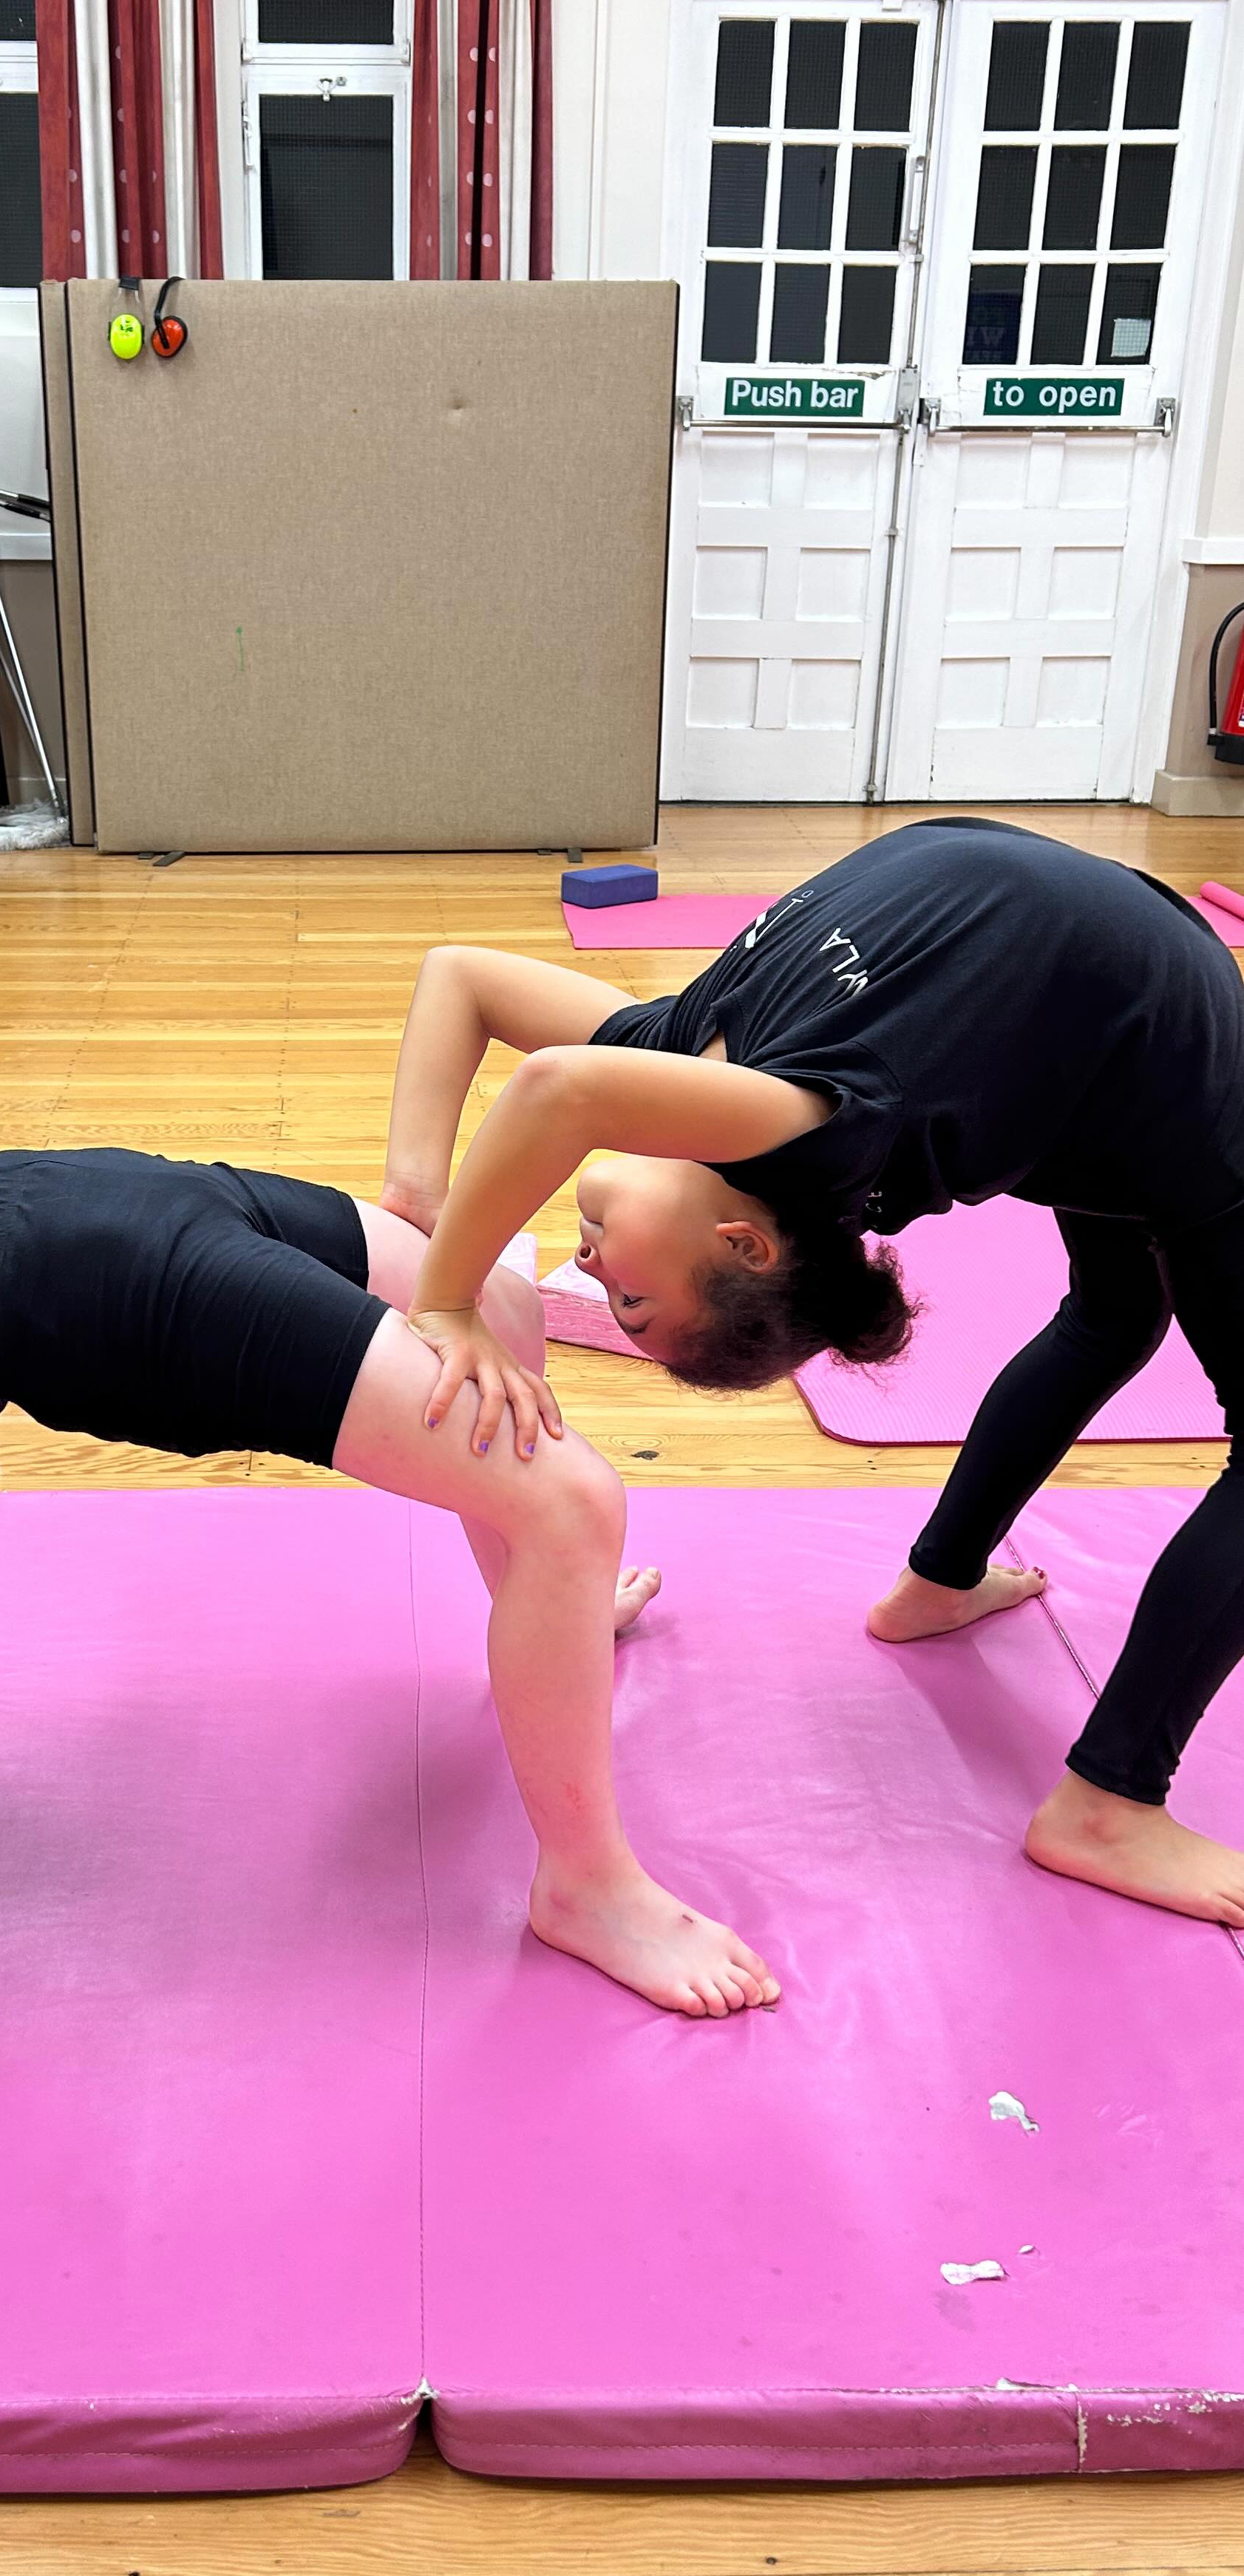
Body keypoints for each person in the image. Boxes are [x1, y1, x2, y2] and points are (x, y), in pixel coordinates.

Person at [0, 1144, 781, 2116]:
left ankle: (542, 1600)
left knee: (503, 1315)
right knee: (575, 1503)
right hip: (81, 1265)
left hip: (68, 1202)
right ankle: (587, 1885)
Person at [382, 816, 1244, 1935]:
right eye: (629, 1298)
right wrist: (424, 1207)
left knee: (1122, 1309)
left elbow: (532, 1063)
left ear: (747, 1246)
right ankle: (956, 1605)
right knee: (1121, 1309)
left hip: (1143, 1025)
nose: (590, 1269)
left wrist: (437, 1273)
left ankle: (1109, 1793)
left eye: (625, 1309)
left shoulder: (757, 1104)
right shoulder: (743, 1093)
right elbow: (473, 994)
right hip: (1106, 1025)